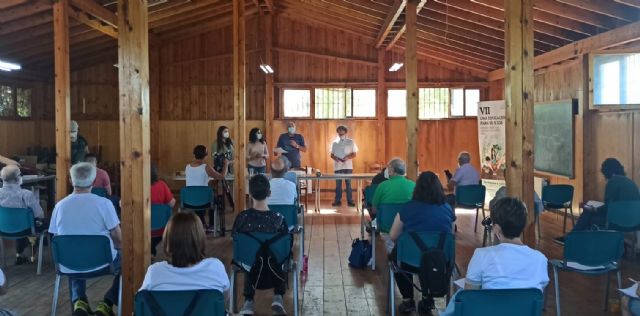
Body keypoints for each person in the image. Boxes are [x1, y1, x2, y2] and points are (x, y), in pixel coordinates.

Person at [440, 197, 549, 316]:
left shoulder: (481, 255)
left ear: (497, 229)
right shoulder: (540, 260)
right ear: (523, 225)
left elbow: (470, 297)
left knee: (460, 295)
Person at [48, 162, 121, 316]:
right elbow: (117, 236)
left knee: (73, 252)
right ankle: (107, 303)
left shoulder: (60, 206)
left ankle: (78, 301)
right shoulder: (104, 204)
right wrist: (120, 249)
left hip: (68, 264)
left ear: (71, 181)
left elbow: (55, 237)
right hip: (103, 263)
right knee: (129, 262)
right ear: (94, 182)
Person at [388, 171, 455, 314]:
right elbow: (451, 236)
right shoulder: (447, 208)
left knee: (396, 256)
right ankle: (427, 298)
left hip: (408, 261)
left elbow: (393, 236)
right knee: (430, 259)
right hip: (440, 260)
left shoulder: (407, 207)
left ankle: (408, 300)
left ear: (416, 188)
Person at [232, 174, 288, 315]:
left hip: (250, 266)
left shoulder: (242, 217)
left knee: (250, 257)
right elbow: (286, 246)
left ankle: (248, 302)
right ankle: (278, 296)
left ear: (250, 194)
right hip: (274, 267)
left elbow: (235, 238)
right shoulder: (279, 218)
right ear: (269, 193)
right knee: (280, 255)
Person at [555, 158, 640, 244]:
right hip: (635, 222)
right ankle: (574, 238)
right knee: (591, 212)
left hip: (616, 222)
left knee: (587, 213)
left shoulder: (613, 182)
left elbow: (609, 207)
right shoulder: (631, 182)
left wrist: (595, 210)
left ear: (606, 171)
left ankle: (572, 239)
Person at [139, 212, 229, 292]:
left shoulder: (155, 273)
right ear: (200, 239)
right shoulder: (215, 268)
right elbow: (224, 292)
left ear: (168, 239)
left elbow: (141, 300)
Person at [0, 165, 46, 265]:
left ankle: (19, 254)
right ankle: (35, 248)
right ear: (18, 178)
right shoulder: (26, 194)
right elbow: (40, 214)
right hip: (26, 229)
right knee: (40, 223)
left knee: (18, 224)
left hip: (2, 229)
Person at [150, 164, 175, 256]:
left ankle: (151, 250)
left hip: (141, 228)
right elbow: (172, 203)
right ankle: (151, 249)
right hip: (161, 229)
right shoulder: (162, 185)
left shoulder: (137, 186)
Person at [330, 125, 358, 207]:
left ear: (345, 132)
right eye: (339, 132)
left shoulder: (351, 141)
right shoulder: (334, 143)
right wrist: (336, 158)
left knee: (348, 184)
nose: (340, 134)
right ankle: (337, 200)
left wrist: (347, 157)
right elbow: (331, 155)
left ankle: (350, 201)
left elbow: (354, 154)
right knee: (338, 185)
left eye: (342, 132)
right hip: (338, 166)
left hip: (348, 166)